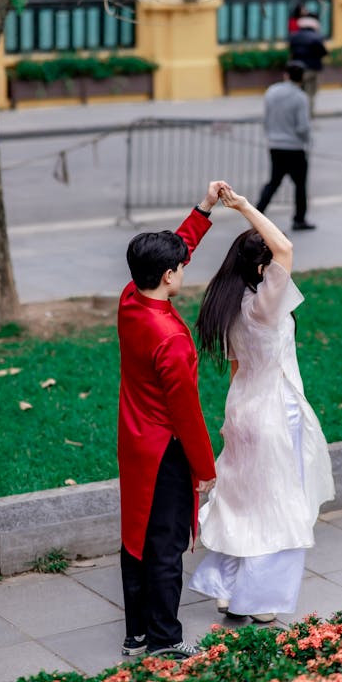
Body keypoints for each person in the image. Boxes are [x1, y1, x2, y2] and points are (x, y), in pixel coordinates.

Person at [189, 187, 335, 622]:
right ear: (262, 267)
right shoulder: (267, 307)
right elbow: (285, 247)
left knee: (243, 501)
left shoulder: (230, 306)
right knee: (279, 506)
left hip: (243, 410)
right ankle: (260, 600)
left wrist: (232, 420)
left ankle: (226, 588)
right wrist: (244, 208)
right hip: (275, 413)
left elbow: (236, 372)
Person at [117, 183, 225, 657]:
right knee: (165, 544)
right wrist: (205, 470)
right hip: (166, 449)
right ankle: (165, 640)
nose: (185, 267)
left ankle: (136, 633)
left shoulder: (130, 300)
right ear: (168, 275)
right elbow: (187, 414)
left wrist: (203, 211)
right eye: (181, 266)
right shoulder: (170, 340)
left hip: (135, 441)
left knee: (135, 534)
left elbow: (173, 249)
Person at [256, 60, 315, 231]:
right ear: (302, 78)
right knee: (300, 185)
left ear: (286, 75)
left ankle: (257, 212)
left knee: (274, 182)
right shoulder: (300, 97)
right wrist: (307, 140)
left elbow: (266, 117)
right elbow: (303, 126)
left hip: (275, 144)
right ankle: (299, 219)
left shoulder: (272, 91)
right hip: (294, 147)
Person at [289, 12, 328, 117]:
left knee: (298, 92)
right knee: (310, 93)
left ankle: (297, 114)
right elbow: (324, 52)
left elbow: (291, 50)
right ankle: (307, 116)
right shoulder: (316, 37)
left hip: (297, 69)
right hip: (312, 68)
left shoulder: (294, 36)